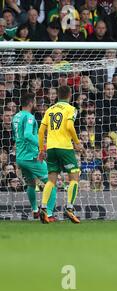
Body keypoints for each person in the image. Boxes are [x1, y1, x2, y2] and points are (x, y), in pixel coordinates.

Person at [38, 86, 84, 224]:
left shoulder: (49, 110)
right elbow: (70, 126)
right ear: (70, 95)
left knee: (51, 179)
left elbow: (41, 131)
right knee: (74, 176)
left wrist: (41, 149)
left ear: (57, 95)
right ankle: (69, 207)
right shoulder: (71, 109)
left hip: (51, 148)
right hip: (65, 148)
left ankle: (44, 207)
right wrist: (76, 142)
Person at [12, 92, 57, 221]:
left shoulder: (16, 117)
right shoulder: (30, 117)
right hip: (31, 157)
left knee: (31, 184)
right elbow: (27, 135)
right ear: (31, 103)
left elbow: (17, 137)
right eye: (35, 101)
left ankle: (35, 210)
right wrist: (41, 145)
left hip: (20, 158)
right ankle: (48, 213)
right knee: (51, 182)